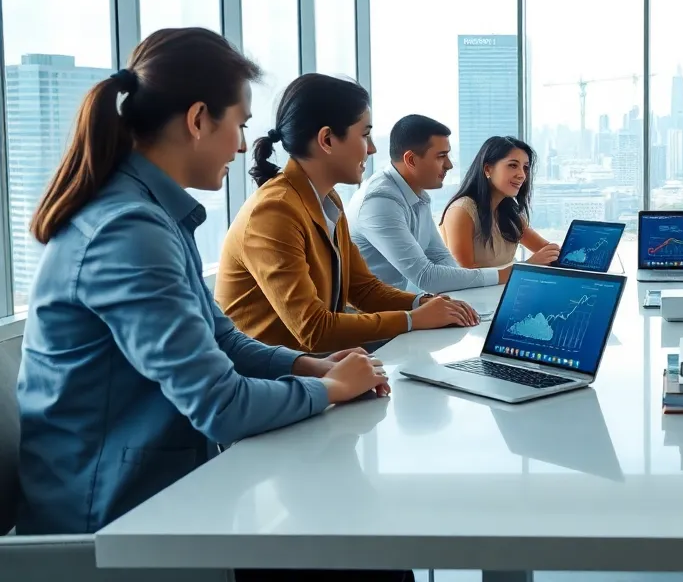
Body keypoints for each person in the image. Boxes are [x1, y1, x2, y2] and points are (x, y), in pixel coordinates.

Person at [14, 28, 387, 537]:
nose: (241, 145)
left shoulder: (154, 215)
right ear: (197, 120)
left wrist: (312, 366)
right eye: (239, 124)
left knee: (350, 540)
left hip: (160, 493)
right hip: (111, 524)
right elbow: (220, 405)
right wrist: (328, 389)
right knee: (351, 546)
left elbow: (221, 338)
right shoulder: (128, 231)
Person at [215, 74, 476, 355]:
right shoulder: (274, 212)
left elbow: (363, 289)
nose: (372, 148)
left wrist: (420, 304)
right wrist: (413, 320)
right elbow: (314, 330)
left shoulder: (327, 199)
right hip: (272, 378)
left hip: (316, 363)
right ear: (327, 139)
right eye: (365, 135)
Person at [348, 114, 512, 293]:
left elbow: (439, 256)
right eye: (441, 156)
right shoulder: (380, 201)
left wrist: (465, 297)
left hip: (401, 306)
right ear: (411, 160)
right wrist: (503, 275)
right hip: (367, 314)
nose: (449, 165)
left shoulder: (417, 194)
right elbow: (425, 276)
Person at [439, 135, 559, 269]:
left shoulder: (510, 214)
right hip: (469, 290)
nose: (522, 175)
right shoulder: (462, 211)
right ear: (487, 169)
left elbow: (547, 251)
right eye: (513, 165)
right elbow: (466, 275)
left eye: (525, 167)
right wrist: (527, 266)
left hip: (504, 289)